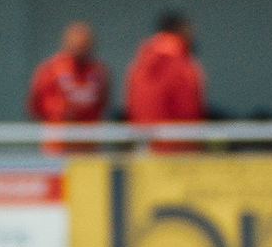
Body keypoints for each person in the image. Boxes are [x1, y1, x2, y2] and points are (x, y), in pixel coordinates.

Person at [124, 11, 207, 151]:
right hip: (176, 150)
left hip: (145, 146)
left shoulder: (141, 60)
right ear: (181, 30)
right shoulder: (181, 63)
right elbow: (188, 109)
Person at [28, 21, 110, 151]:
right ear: (66, 42)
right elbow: (35, 105)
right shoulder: (51, 69)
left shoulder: (99, 71)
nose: (81, 47)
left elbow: (103, 103)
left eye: (85, 44)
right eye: (77, 43)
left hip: (88, 146)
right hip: (58, 146)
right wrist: (59, 111)